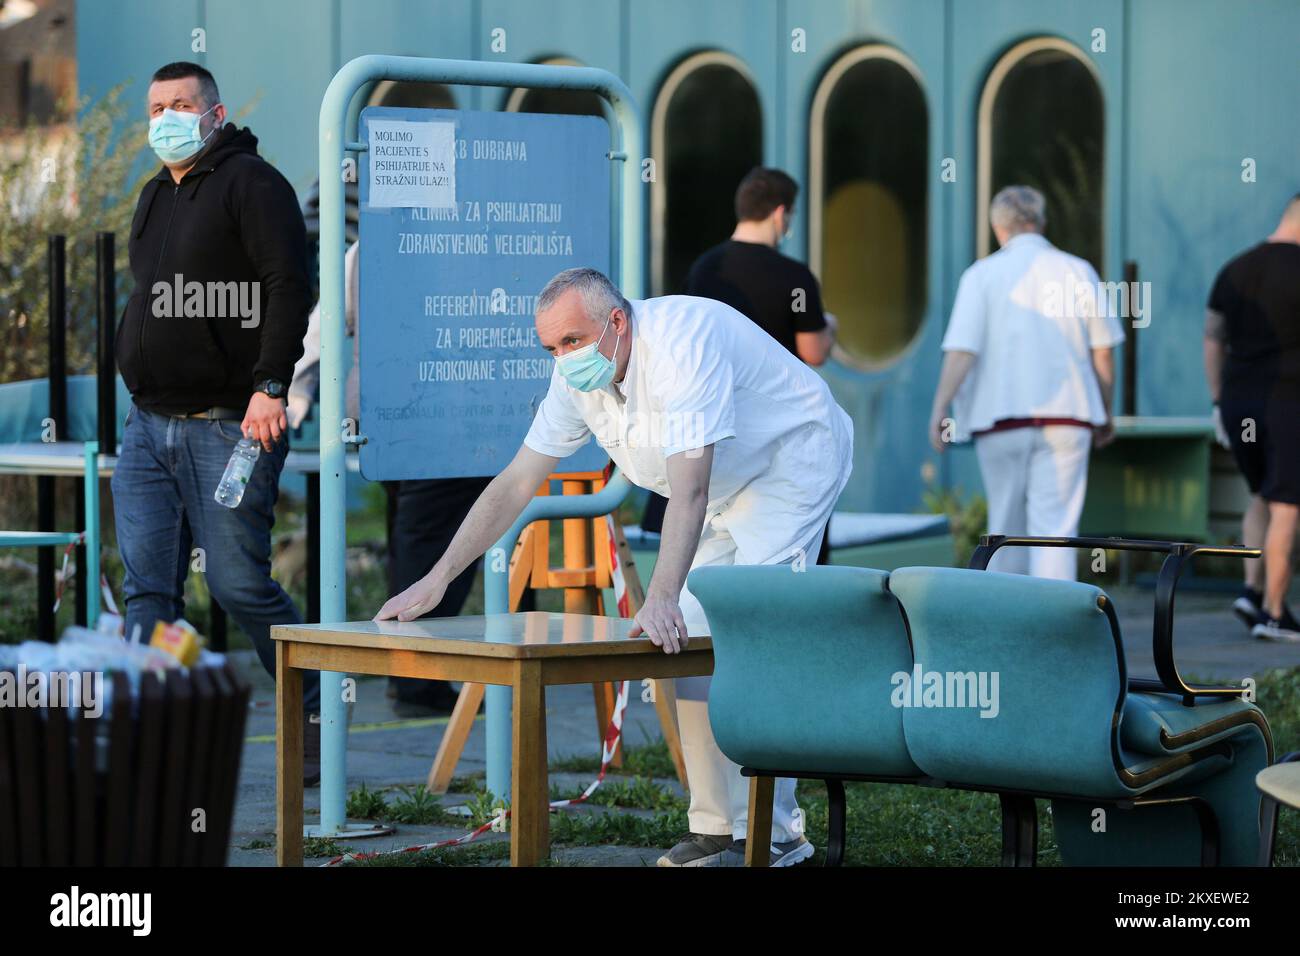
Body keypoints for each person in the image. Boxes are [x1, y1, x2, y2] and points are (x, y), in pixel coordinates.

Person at [375, 268, 854, 867]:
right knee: (691, 637)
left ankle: (776, 836)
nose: (563, 357)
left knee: (755, 633)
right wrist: (438, 576)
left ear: (617, 322)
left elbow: (691, 490)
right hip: (726, 481)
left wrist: (659, 595)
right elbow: (517, 481)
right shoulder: (576, 375)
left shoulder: (681, 343)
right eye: (551, 347)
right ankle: (715, 828)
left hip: (790, 462)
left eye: (571, 341)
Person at [111, 62, 320, 782]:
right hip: (148, 426)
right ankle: (145, 731)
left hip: (233, 425)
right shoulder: (153, 194)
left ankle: (314, 702)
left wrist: (270, 385)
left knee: (236, 585)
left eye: (180, 104)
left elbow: (289, 286)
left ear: (214, 113)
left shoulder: (252, 184)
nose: (165, 116)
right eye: (156, 106)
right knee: (149, 590)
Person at [288, 241, 491, 713]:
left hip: (383, 408)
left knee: (411, 531)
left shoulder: (367, 247)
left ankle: (410, 671)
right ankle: (415, 675)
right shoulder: (467, 239)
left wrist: (297, 387)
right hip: (445, 407)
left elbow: (322, 327)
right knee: (430, 533)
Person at [927, 185, 1123, 580]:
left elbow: (962, 351)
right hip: (1069, 417)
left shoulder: (981, 274)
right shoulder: (1077, 270)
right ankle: (1055, 624)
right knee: (1056, 530)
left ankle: (1007, 623)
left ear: (998, 228)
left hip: (999, 420)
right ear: (1043, 221)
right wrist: (1103, 410)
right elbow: (1103, 350)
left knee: (1005, 527)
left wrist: (940, 410)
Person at [646, 166, 836, 561]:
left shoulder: (704, 269)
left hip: (710, 427)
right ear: (781, 214)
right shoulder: (795, 277)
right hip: (774, 436)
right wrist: (829, 326)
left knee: (711, 552)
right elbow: (813, 351)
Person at [1205, 193, 1300, 641]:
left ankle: (1250, 592)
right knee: (1287, 505)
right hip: (1287, 401)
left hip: (1238, 401)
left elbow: (1212, 338)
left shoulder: (1235, 268)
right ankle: (1276, 615)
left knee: (1260, 495)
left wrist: (1218, 398)